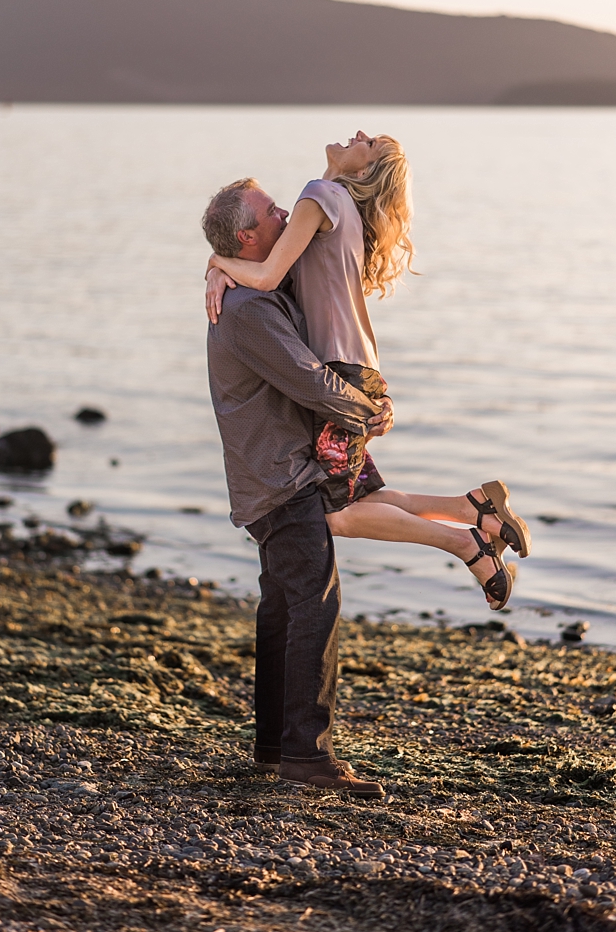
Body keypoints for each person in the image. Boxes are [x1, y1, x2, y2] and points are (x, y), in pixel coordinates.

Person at [203, 133, 529, 610]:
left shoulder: (319, 197)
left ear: (365, 170)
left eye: (370, 143)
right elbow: (272, 264)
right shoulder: (334, 201)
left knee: (338, 515)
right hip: (356, 365)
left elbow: (268, 275)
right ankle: (472, 509)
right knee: (364, 494)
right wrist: (219, 267)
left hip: (339, 369)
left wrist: (214, 262)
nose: (358, 135)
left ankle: (468, 545)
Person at [201, 180, 388, 796]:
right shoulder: (250, 312)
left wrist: (215, 265)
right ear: (249, 238)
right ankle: (308, 757)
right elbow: (308, 381)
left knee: (282, 606)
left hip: (268, 476)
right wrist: (369, 409)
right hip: (280, 481)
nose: (285, 212)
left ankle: (274, 746)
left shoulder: (255, 291)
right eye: (272, 211)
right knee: (315, 603)